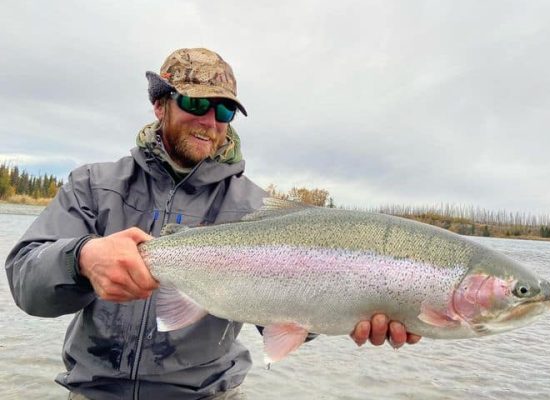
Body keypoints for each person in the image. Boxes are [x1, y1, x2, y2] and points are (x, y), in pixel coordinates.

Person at [5, 48, 420, 400]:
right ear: (159, 103)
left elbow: (280, 321)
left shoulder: (256, 208)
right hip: (93, 391)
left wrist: (354, 307)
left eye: (224, 110)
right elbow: (27, 285)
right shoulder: (93, 185)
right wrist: (81, 258)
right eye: (197, 104)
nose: (211, 121)